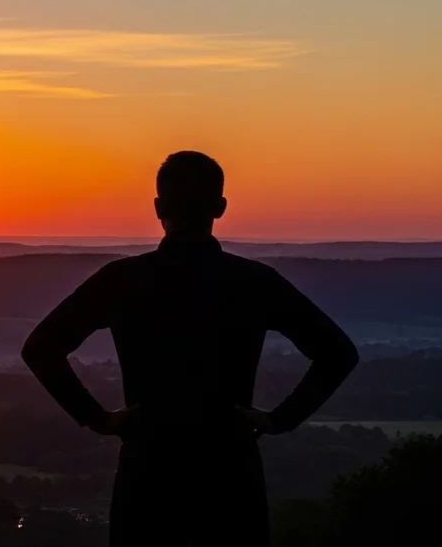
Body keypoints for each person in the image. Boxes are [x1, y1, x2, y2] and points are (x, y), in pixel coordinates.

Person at [20, 151, 359, 545]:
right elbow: (338, 353)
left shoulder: (123, 280)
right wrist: (280, 419)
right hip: (229, 471)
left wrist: (99, 418)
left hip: (149, 470)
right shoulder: (253, 281)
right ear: (220, 207)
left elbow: (40, 347)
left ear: (158, 207)